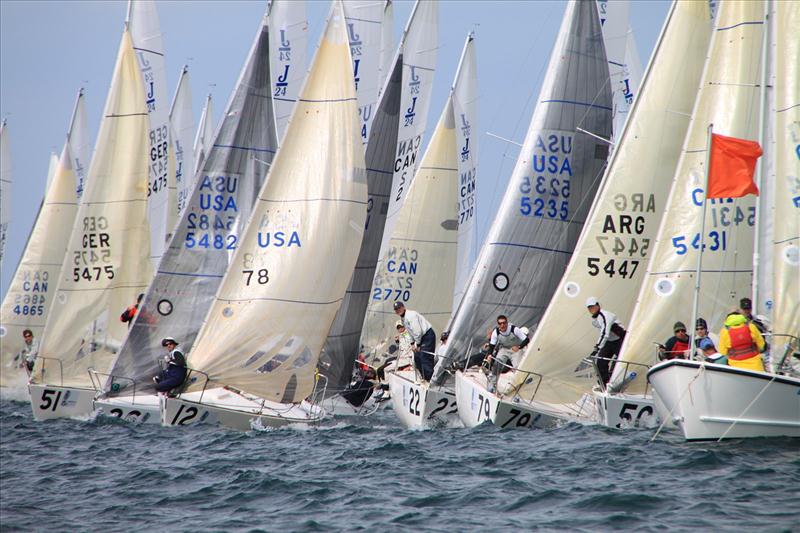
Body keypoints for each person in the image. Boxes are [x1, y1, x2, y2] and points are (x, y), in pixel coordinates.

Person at [586, 297, 626, 385]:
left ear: (598, 305)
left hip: (621, 340)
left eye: (593, 306)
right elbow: (604, 334)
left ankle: (615, 382)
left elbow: (605, 333)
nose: (591, 309)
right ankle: (603, 384)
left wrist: (596, 348)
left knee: (620, 362)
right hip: (609, 341)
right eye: (589, 308)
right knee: (600, 362)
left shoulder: (606, 315)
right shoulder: (595, 320)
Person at [393, 301, 436, 381]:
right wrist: (412, 343)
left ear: (403, 307)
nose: (398, 310)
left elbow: (418, 331)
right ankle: (425, 378)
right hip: (420, 338)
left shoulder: (410, 315)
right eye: (396, 309)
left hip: (427, 335)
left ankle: (431, 380)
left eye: (399, 308)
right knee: (417, 358)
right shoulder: (403, 318)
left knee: (425, 357)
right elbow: (410, 332)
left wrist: (418, 345)